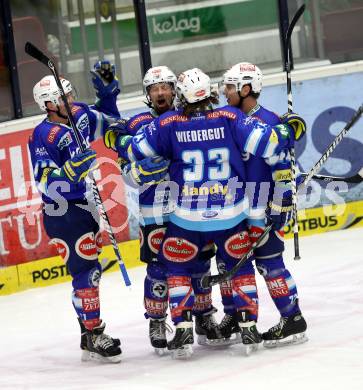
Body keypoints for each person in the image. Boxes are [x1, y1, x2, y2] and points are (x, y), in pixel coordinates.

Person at [114, 68, 305, 358]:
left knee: (176, 267)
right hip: (232, 213)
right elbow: (273, 144)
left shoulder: (169, 122)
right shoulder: (229, 118)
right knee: (238, 266)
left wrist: (118, 141)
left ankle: (182, 328)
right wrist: (288, 130)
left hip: (187, 216)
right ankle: (248, 323)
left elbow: (133, 149)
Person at [104, 66, 222, 354]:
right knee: (158, 267)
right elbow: (127, 176)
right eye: (153, 89)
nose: (160, 93)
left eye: (165, 87)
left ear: (175, 90)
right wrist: (140, 171)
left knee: (200, 262)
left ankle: (204, 316)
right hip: (154, 209)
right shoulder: (136, 124)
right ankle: (157, 320)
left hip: (190, 204)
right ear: (147, 94)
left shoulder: (188, 118)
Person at [28, 61, 122, 363]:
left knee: (90, 271)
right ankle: (94, 334)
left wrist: (107, 95)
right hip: (63, 212)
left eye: (70, 95)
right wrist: (68, 172)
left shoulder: (79, 115)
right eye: (64, 98)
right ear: (49, 104)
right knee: (87, 273)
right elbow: (44, 182)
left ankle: (87, 334)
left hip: (85, 206)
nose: (71, 101)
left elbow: (110, 123)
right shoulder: (44, 135)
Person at [222, 62, 308, 348]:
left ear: (246, 89)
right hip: (234, 207)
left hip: (261, 208)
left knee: (270, 264)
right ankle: (237, 317)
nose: (225, 91)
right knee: (232, 264)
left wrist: (280, 208)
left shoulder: (269, 122)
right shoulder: (228, 119)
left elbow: (284, 172)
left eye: (231, 86)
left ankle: (292, 317)